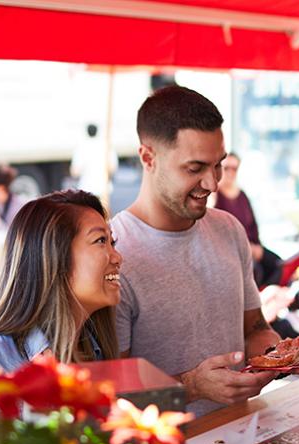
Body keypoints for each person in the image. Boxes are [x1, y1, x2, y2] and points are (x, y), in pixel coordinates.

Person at [112, 85, 279, 416]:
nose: (212, 183)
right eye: (195, 168)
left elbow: (256, 329)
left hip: (241, 437)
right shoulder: (114, 254)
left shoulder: (229, 229)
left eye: (218, 165)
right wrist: (192, 386)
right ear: (148, 158)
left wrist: (277, 357)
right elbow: (115, 393)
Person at [0, 190, 122, 371]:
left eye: (111, 242)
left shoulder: (94, 349)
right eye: (100, 240)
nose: (118, 257)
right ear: (53, 257)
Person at [213, 152, 283, 288]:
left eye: (234, 168)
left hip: (251, 246)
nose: (230, 172)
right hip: (231, 251)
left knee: (278, 264)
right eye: (226, 168)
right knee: (254, 271)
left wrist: (256, 247)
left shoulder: (242, 195)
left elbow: (253, 226)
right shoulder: (215, 196)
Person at [70, 123, 118, 198]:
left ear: (87, 132)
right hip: (103, 189)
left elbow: (75, 172)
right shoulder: (106, 146)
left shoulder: (81, 148)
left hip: (86, 188)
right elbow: (112, 169)